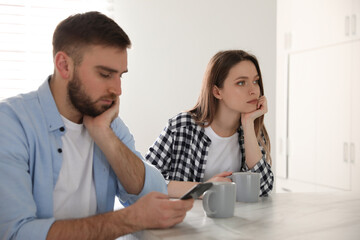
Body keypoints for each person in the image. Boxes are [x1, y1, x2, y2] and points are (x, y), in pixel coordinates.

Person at [0, 11, 193, 240]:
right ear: (64, 66)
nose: (118, 90)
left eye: (120, 76)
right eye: (105, 74)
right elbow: (15, 234)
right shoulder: (11, 123)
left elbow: (154, 193)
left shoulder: (106, 121)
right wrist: (129, 219)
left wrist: (104, 135)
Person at [146, 50, 274, 198]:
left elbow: (263, 187)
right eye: (241, 83)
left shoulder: (252, 130)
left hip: (233, 219)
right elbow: (144, 182)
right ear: (217, 92)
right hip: (185, 219)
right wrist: (205, 189)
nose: (253, 90)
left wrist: (248, 123)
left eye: (255, 81)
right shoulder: (181, 127)